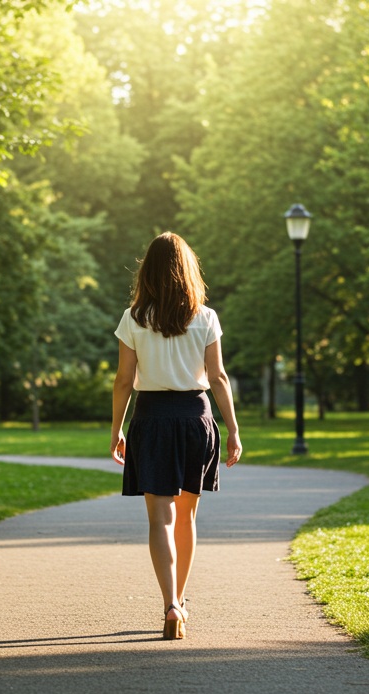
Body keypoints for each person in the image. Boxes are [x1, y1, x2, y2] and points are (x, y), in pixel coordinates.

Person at [110, 232, 241, 641]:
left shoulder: (134, 318)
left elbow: (123, 381)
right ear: (188, 270)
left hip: (151, 419)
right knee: (186, 516)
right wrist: (233, 430)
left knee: (159, 519)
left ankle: (169, 602)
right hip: (195, 417)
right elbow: (217, 377)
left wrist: (115, 429)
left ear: (146, 271)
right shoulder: (205, 317)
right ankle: (180, 602)